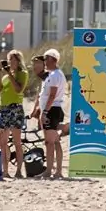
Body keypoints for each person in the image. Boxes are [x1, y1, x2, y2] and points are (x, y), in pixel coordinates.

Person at [0, 49, 28, 177]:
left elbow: (18, 89)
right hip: (4, 108)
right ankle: (6, 171)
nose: (10, 62)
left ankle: (19, 171)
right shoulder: (6, 76)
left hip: (15, 108)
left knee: (16, 141)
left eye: (13, 60)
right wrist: (0, 73)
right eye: (9, 60)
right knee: (2, 141)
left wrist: (10, 74)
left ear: (18, 61)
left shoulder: (22, 73)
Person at [39, 48, 67, 178]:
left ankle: (50, 170)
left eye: (46, 59)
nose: (44, 62)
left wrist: (45, 112)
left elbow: (52, 95)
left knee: (50, 142)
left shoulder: (55, 75)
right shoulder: (55, 74)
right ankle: (57, 171)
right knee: (54, 141)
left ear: (52, 59)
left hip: (52, 109)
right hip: (54, 109)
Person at [28, 55, 46, 126]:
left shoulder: (48, 77)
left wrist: (35, 111)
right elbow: (39, 96)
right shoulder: (41, 78)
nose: (34, 66)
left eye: (37, 63)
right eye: (34, 64)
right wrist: (34, 111)